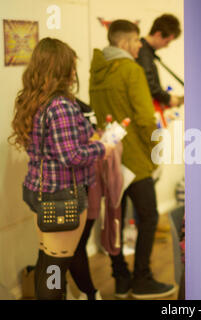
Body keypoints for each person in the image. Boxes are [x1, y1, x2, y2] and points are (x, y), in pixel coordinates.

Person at [9, 38, 111, 300]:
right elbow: (72, 156)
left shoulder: (35, 100)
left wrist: (92, 135)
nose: (74, 73)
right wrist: (103, 149)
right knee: (56, 264)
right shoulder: (61, 105)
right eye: (72, 67)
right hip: (61, 195)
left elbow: (70, 141)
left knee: (48, 258)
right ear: (61, 69)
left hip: (39, 191)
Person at [89, 19, 175, 299]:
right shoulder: (131, 70)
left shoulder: (97, 71)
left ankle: (121, 277)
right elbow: (144, 118)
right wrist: (155, 151)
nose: (139, 45)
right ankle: (142, 279)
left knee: (114, 217)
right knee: (149, 216)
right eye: (137, 40)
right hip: (135, 158)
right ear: (126, 43)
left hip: (108, 156)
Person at [136, 14, 183, 108]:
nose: (167, 46)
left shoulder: (146, 52)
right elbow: (148, 84)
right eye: (167, 41)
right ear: (158, 34)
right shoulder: (143, 52)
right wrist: (168, 98)